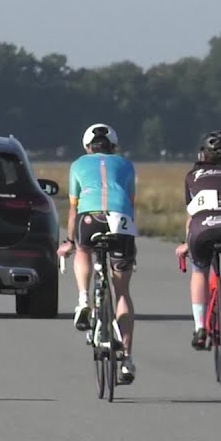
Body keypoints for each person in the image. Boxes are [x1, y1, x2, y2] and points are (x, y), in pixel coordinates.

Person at [56, 124, 139, 384]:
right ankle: (126, 359)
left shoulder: (78, 164)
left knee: (83, 249)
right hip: (120, 221)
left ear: (86, 146)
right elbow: (130, 203)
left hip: (90, 218)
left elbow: (73, 209)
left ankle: (83, 300)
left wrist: (69, 241)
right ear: (113, 146)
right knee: (122, 291)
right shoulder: (126, 165)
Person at [175, 130, 221, 348]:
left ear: (203, 153)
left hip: (201, 230)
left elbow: (191, 215)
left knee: (199, 271)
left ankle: (200, 327)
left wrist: (186, 243)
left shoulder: (191, 176)